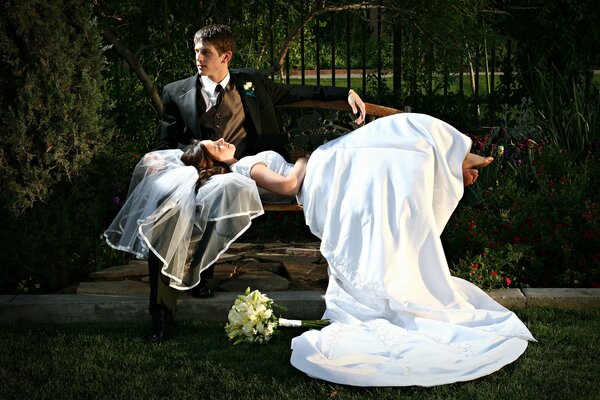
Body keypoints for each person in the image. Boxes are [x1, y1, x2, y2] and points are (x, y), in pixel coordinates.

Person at [179, 112, 535, 387]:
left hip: (324, 168)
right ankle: (452, 161)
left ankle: (452, 162)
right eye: (216, 147)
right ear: (217, 162)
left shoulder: (246, 158)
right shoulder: (245, 164)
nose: (222, 140)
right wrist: (304, 161)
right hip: (318, 176)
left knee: (393, 137)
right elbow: (289, 184)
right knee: (391, 142)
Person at [114, 23, 367, 343]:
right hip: (200, 171)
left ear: (226, 56)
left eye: (206, 52)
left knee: (223, 191)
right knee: (166, 209)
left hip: (250, 170)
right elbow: (168, 144)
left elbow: (298, 91)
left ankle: (201, 274)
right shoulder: (176, 91)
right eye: (196, 51)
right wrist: (200, 153)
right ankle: (161, 313)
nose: (199, 58)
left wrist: (344, 92)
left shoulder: (251, 83)